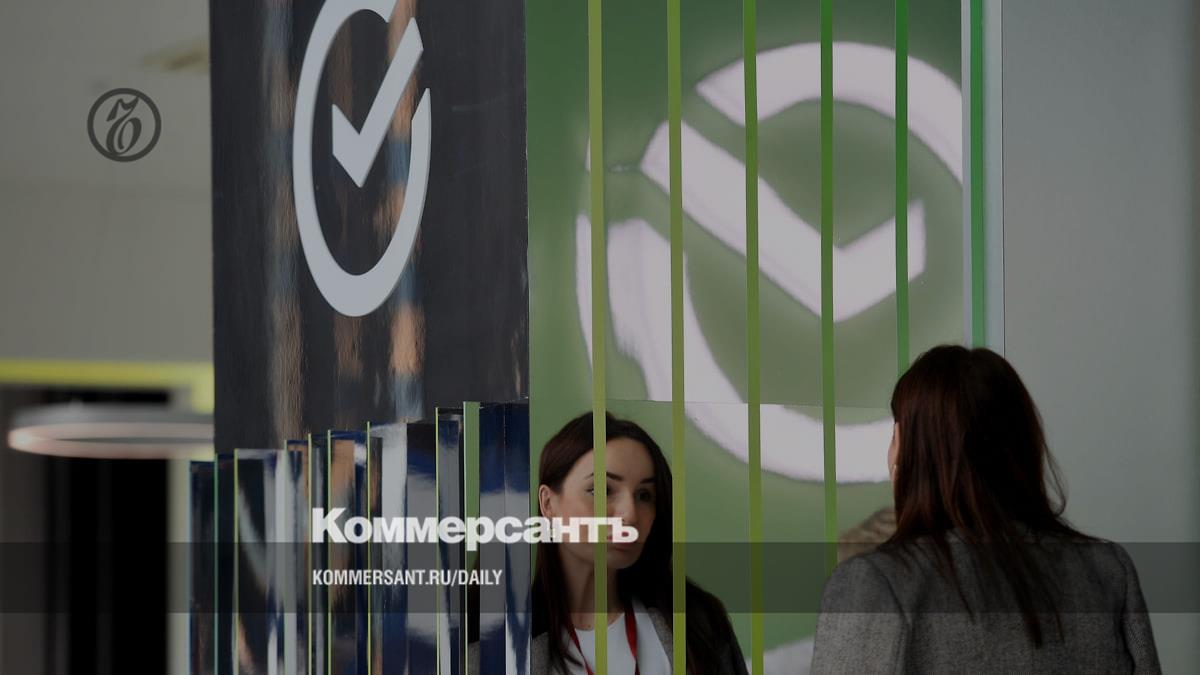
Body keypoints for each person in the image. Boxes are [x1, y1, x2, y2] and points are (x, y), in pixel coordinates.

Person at [811, 345, 1160, 673]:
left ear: (909, 451)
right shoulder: (1106, 571)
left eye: (894, 436)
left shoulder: (874, 583)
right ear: (1024, 447)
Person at [469, 411, 747, 674]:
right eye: (602, 490)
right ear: (549, 504)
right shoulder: (494, 652)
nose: (630, 513)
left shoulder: (699, 624)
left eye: (644, 495)